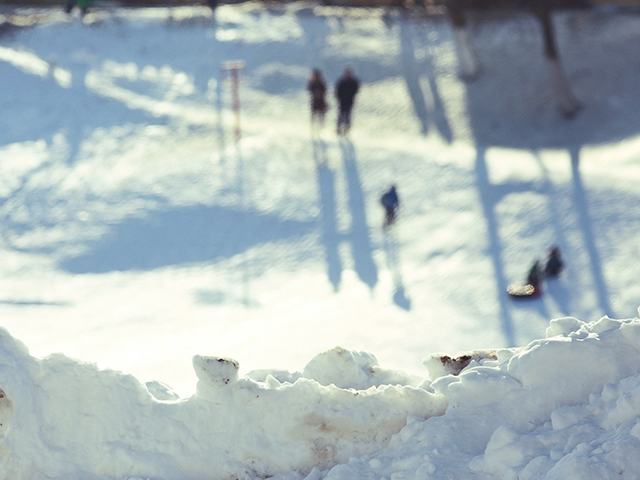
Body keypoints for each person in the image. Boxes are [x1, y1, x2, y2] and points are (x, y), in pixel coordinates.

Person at [335, 66, 360, 135]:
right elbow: (338, 91)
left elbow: (356, 90)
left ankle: (347, 129)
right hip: (342, 101)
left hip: (349, 101)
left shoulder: (353, 82)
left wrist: (351, 96)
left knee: (348, 115)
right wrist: (339, 98)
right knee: (341, 115)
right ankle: (339, 128)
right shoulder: (342, 81)